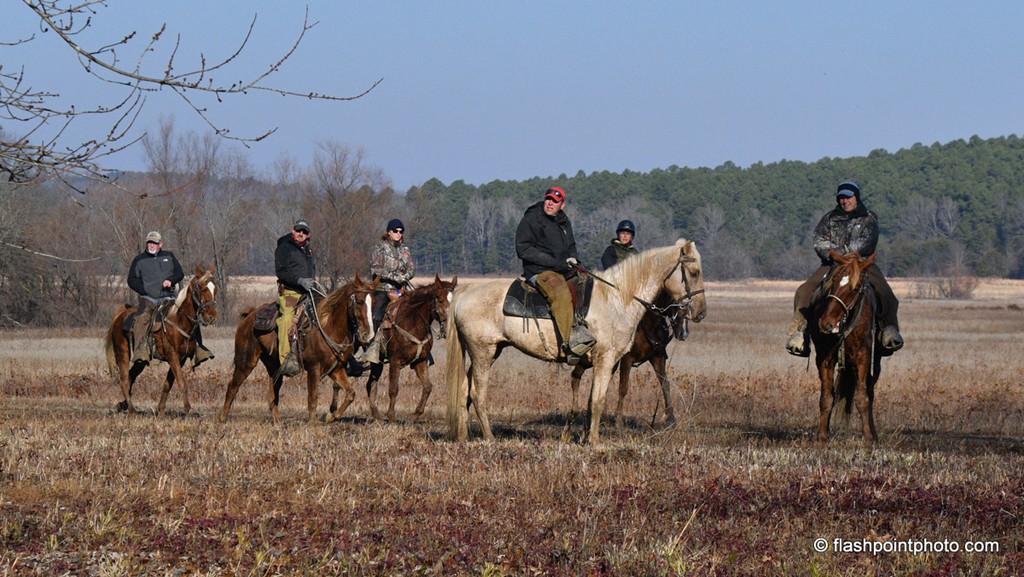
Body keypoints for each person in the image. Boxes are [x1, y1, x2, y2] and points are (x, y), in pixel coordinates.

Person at [786, 181, 904, 357]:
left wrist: (840, 252)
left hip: (861, 263)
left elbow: (867, 242)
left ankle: (888, 331)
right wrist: (834, 256)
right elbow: (819, 241)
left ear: (856, 198)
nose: (845, 201)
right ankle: (801, 333)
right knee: (804, 291)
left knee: (886, 294)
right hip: (831, 264)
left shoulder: (868, 218)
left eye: (848, 197)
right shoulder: (829, 218)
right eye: (841, 198)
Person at [515, 186, 595, 364]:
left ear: (562, 205)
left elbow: (571, 245)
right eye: (548, 199)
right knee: (561, 293)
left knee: (587, 284)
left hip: (563, 268)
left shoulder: (563, 221)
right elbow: (523, 248)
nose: (550, 203)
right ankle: (569, 345)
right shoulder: (532, 218)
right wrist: (555, 263)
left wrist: (574, 259)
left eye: (555, 201)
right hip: (539, 270)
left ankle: (584, 329)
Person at [127, 231, 214, 366]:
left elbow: (179, 273)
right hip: (149, 299)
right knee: (142, 318)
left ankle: (198, 347)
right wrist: (144, 290)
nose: (151, 245)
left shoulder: (169, 256)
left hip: (169, 297)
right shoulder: (139, 259)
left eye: (154, 243)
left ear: (160, 244)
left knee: (189, 315)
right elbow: (131, 279)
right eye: (149, 243)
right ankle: (140, 350)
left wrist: (170, 280)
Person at [359, 218, 415, 365]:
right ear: (389, 232)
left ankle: (423, 350)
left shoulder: (405, 249)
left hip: (401, 290)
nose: (398, 233)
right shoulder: (380, 247)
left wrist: (406, 276)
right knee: (377, 315)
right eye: (395, 231)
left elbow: (411, 268)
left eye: (401, 231)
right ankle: (372, 348)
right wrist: (393, 276)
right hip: (383, 289)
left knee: (418, 310)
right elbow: (375, 268)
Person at [275, 219, 317, 377]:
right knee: (287, 318)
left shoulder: (308, 249)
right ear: (293, 231)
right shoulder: (284, 247)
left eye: (304, 232)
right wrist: (299, 281)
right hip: (290, 293)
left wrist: (312, 282)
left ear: (308, 235)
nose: (301, 234)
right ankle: (286, 360)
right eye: (299, 230)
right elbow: (281, 272)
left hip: (309, 292)